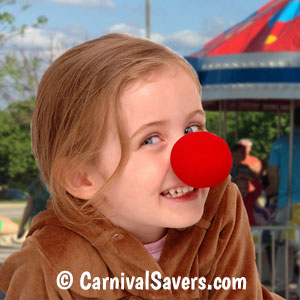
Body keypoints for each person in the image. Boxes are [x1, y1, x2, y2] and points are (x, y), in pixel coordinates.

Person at [0, 34, 282, 299]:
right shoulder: (47, 264)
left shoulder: (219, 205)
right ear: (82, 177)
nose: (190, 155)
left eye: (192, 128)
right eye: (150, 139)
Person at [268, 106, 300, 296]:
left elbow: (273, 170)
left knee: (282, 244)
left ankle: (281, 284)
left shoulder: (281, 143)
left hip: (286, 199)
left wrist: (273, 187)